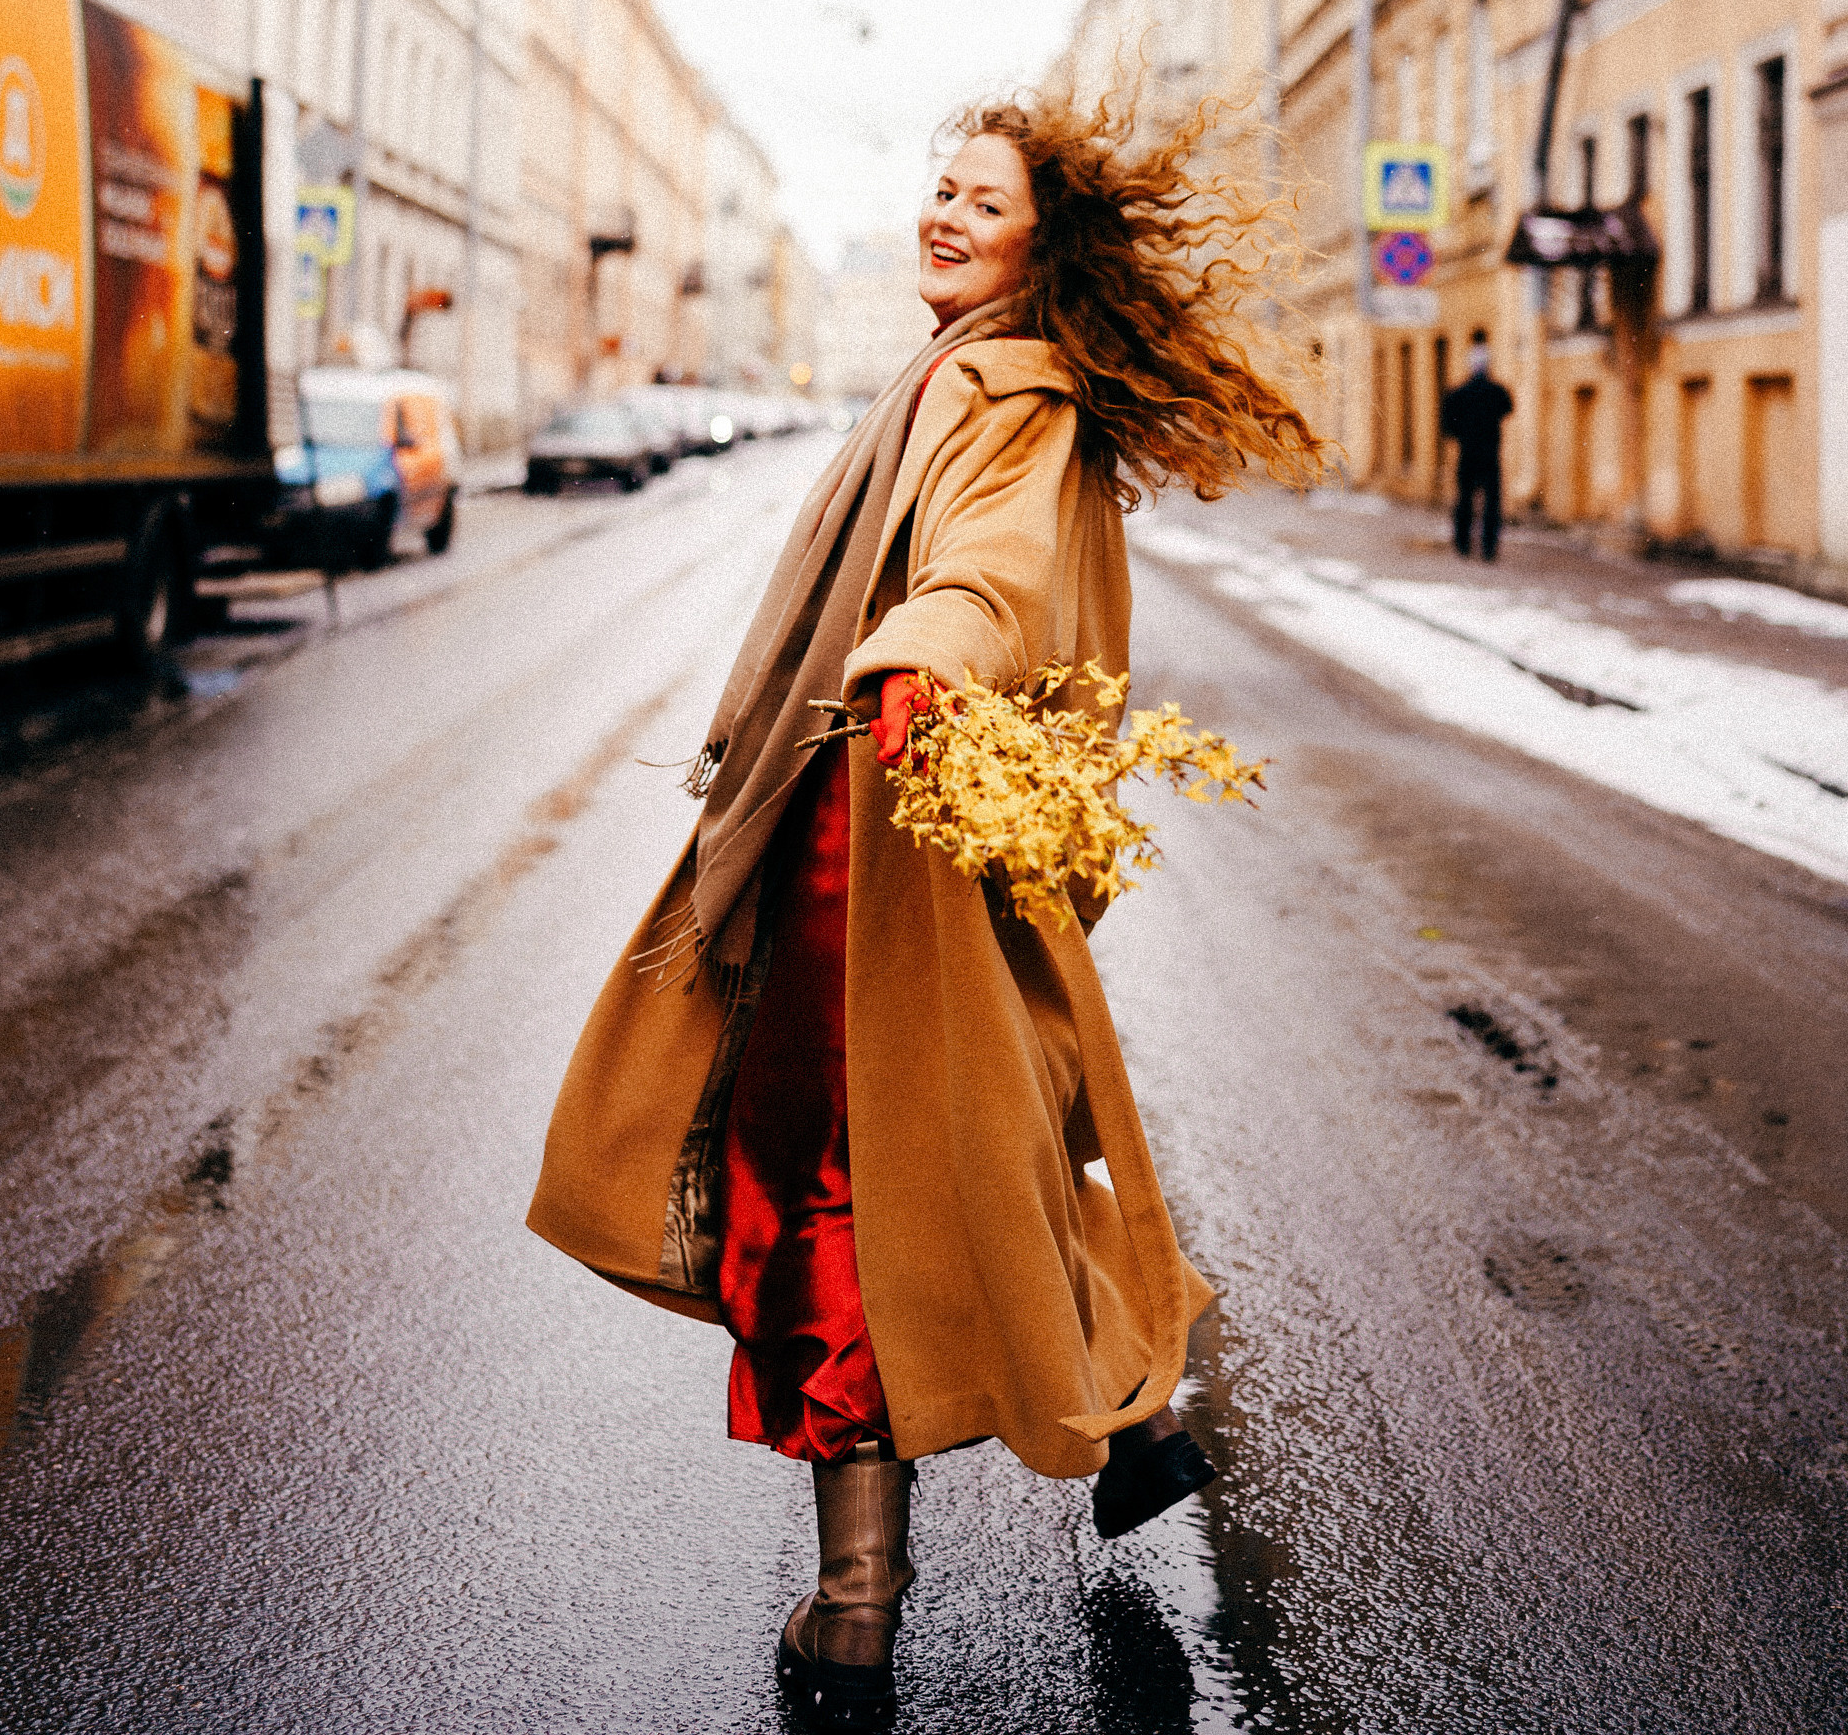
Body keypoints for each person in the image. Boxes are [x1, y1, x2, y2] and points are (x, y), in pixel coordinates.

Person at [527, 93, 1321, 1728]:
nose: (944, 214)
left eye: (983, 197)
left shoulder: (996, 383)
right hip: (931, 824)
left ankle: (858, 1604)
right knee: (982, 1142)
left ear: (1045, 238)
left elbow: (995, 566)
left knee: (818, 1185)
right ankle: (1134, 1425)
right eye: (935, 189)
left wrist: (924, 645)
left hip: (877, 830)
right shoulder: (990, 373)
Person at [1440, 328, 1514, 561]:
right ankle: (1488, 547)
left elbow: (1447, 427)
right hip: (1490, 454)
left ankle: (1463, 544)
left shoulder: (1459, 394)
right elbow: (1508, 409)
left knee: (1465, 500)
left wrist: (1463, 432)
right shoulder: (1497, 392)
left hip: (1468, 454)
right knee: (1491, 503)